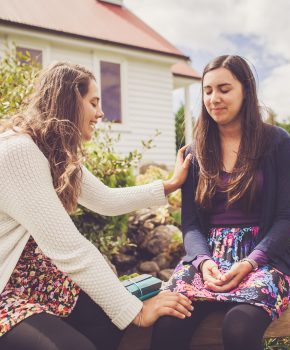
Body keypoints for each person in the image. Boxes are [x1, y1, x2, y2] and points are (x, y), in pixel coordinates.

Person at [0, 61, 194, 350]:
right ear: (69, 103)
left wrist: (168, 185)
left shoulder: (52, 150)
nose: (101, 113)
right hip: (6, 289)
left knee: (108, 322)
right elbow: (69, 250)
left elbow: (106, 200)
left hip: (28, 277)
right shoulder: (20, 152)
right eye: (93, 103)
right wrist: (137, 311)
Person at [151, 55, 290, 350]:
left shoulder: (278, 143)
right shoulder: (196, 152)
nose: (214, 98)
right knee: (168, 322)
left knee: (239, 327)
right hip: (209, 262)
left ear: (246, 90)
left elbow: (288, 219)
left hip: (265, 261)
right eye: (207, 91)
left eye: (224, 89)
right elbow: (191, 225)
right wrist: (203, 261)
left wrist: (250, 262)